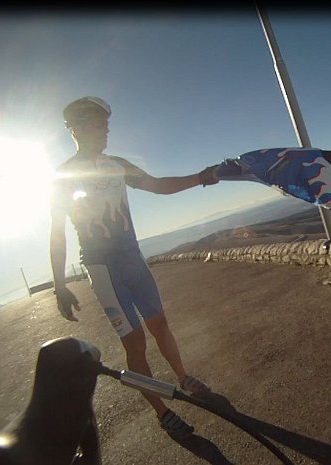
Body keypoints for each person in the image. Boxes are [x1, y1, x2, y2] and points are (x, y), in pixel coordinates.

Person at [49, 96, 219, 441]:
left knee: (160, 323)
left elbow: (157, 185)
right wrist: (59, 283)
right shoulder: (64, 176)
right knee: (135, 343)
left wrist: (203, 176)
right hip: (103, 268)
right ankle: (163, 412)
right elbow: (57, 229)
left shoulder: (117, 164)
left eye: (107, 122)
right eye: (99, 122)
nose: (107, 128)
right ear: (78, 128)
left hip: (133, 257)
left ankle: (184, 377)